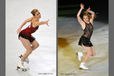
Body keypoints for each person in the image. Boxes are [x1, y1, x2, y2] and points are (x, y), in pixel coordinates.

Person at [76, 3, 96, 70]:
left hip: (88, 40)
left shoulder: (91, 22)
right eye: (84, 18)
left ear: (88, 18)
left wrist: (88, 11)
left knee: (93, 54)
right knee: (89, 52)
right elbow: (78, 16)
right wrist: (81, 9)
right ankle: (82, 64)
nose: (85, 19)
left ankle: (80, 53)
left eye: (86, 18)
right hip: (84, 39)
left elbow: (93, 13)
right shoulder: (83, 24)